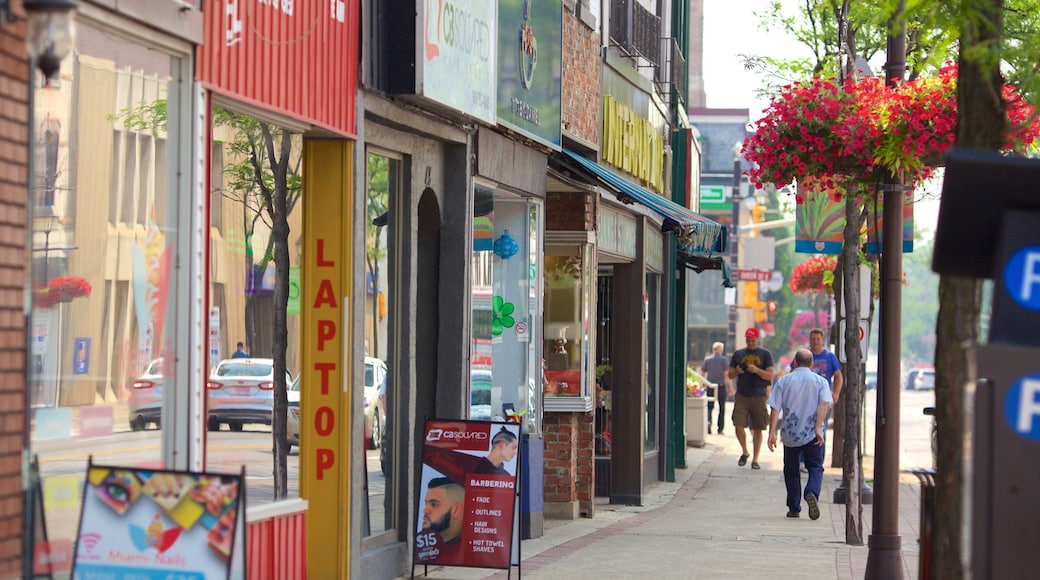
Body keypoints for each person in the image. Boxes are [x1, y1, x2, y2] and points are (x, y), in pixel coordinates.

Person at [767, 349, 833, 519]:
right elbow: (824, 404)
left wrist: (771, 433)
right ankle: (811, 492)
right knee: (815, 467)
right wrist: (818, 427)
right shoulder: (821, 382)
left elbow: (775, 408)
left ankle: (794, 507)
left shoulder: (783, 381)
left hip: (790, 433)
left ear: (795, 362)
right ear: (812, 364)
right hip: (812, 433)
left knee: (791, 470)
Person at [791, 328, 843, 471]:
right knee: (802, 427)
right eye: (813, 339)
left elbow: (838, 375)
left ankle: (817, 461)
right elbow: (792, 372)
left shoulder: (829, 357)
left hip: (822, 399)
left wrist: (836, 393)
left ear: (822, 340)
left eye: (817, 339)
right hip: (804, 399)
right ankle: (802, 461)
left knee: (820, 428)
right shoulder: (803, 355)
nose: (815, 342)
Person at [728, 328, 775, 470]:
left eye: (753, 340)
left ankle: (755, 459)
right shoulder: (738, 354)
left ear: (757, 340)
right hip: (742, 394)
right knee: (738, 424)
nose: (750, 343)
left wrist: (757, 371)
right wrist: (737, 371)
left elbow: (770, 375)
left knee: (758, 427)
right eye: (748, 340)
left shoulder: (765, 354)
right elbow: (730, 375)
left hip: (759, 395)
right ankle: (745, 451)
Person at [417, 477, 466, 563]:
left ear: (456, 510)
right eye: (426, 503)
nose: (425, 510)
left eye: (434, 504)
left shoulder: (470, 550)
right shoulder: (421, 546)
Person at [700, 342, 731, 434]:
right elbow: (727, 374)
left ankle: (708, 422)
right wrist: (731, 387)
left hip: (710, 386)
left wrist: (703, 384)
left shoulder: (707, 359)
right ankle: (720, 429)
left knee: (709, 407)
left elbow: (702, 373)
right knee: (722, 408)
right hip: (721, 386)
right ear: (720, 350)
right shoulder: (724, 360)